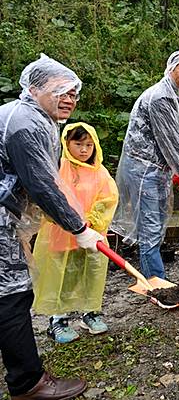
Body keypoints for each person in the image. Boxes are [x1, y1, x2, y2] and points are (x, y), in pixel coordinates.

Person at [0, 55, 105, 399]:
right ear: (33, 88)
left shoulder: (32, 118)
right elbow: (43, 185)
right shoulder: (26, 123)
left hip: (6, 220)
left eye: (74, 92)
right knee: (13, 294)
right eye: (61, 90)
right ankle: (28, 383)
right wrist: (79, 228)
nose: (70, 98)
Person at [111, 51, 179, 279]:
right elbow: (171, 141)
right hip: (145, 171)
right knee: (150, 229)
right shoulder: (161, 98)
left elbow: (178, 138)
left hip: (157, 170)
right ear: (170, 69)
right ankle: (156, 284)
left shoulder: (177, 99)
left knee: (157, 226)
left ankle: (156, 278)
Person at [31, 123, 118, 343]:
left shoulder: (100, 172)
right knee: (63, 278)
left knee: (91, 275)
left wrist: (92, 220)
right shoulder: (58, 169)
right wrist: (70, 222)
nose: (83, 150)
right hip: (62, 235)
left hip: (93, 235)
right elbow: (49, 200)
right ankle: (57, 321)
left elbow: (108, 199)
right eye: (78, 144)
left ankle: (90, 313)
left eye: (88, 145)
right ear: (66, 144)